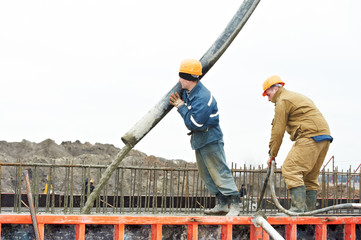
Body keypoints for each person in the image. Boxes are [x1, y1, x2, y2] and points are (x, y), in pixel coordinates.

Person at [169, 59, 240, 216]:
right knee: (207, 174)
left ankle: (235, 204)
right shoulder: (189, 92)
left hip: (210, 138)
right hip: (200, 140)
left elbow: (194, 123)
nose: (179, 80)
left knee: (219, 170)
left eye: (181, 76)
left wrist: (181, 107)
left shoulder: (202, 96)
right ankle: (221, 204)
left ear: (188, 77)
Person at [262, 75, 333, 212]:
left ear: (275, 88)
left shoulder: (283, 100)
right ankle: (308, 213)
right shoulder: (294, 96)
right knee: (310, 177)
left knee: (291, 168)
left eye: (268, 93)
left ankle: (297, 211)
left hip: (310, 135)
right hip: (323, 136)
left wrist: (272, 154)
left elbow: (278, 130)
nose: (268, 98)